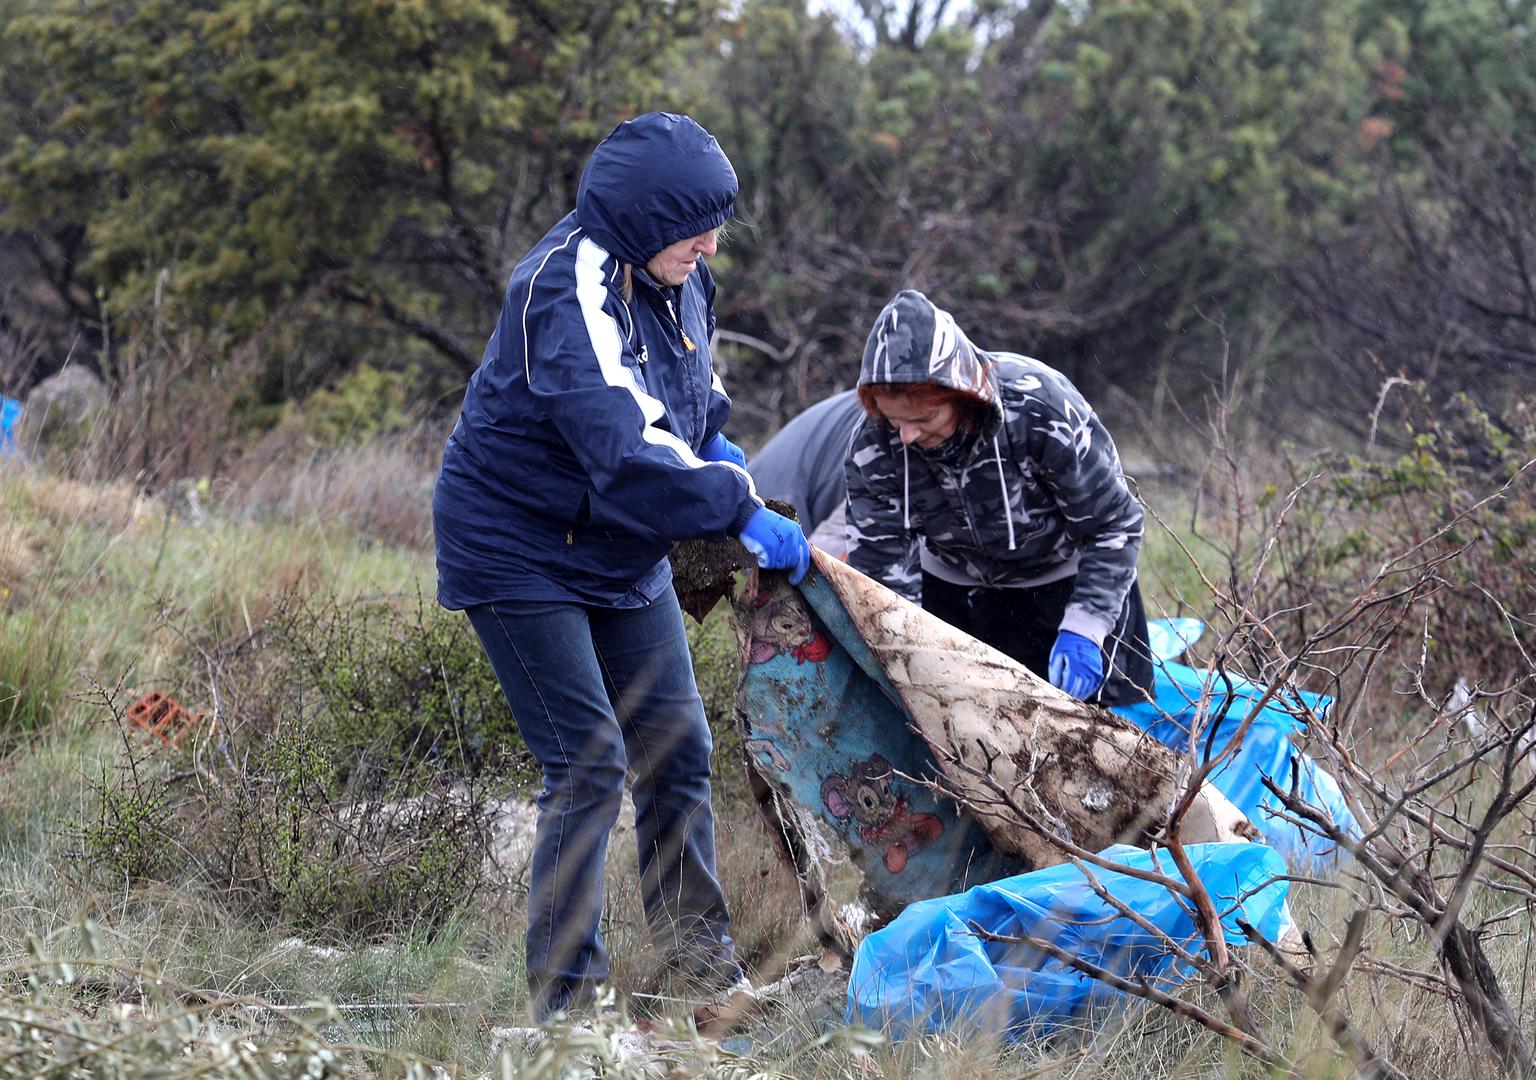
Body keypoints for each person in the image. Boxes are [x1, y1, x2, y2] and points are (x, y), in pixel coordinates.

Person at [432, 113, 810, 1021]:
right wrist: (738, 506)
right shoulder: (563, 289)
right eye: (694, 226)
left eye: (717, 224)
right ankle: (567, 1012)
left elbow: (687, 396)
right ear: (641, 220)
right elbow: (625, 443)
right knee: (588, 762)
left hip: (618, 546)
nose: (711, 244)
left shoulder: (681, 274)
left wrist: (721, 445)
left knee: (679, 748)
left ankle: (704, 970)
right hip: (517, 545)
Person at [845, 289, 1154, 706]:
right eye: (894, 419)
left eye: (924, 419)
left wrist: (1087, 624)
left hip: (1065, 579)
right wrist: (904, 657)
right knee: (974, 730)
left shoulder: (1040, 407)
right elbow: (882, 573)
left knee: (1110, 732)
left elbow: (1113, 524)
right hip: (960, 590)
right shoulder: (874, 446)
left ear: (962, 395)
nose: (907, 435)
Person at [746, 388, 864, 556]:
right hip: (779, 489)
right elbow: (833, 550)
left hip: (796, 477)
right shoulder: (889, 429)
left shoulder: (895, 401)